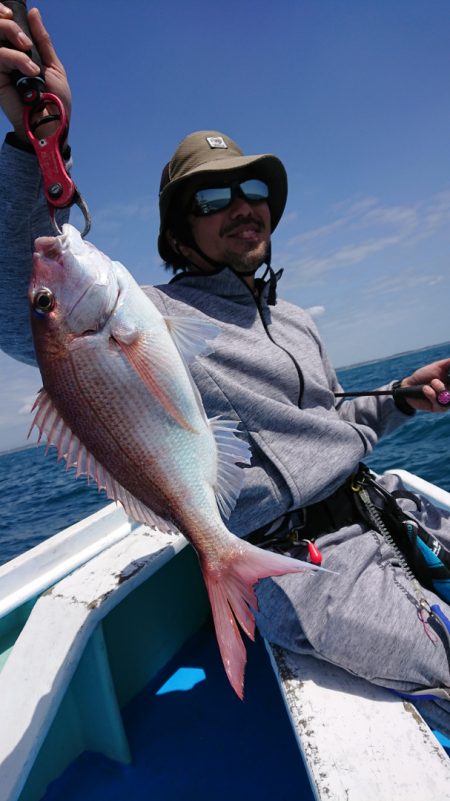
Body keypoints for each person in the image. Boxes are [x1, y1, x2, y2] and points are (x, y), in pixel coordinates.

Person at [1, 6, 450, 736]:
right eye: (213, 198)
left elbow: (331, 426)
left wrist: (402, 399)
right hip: (306, 567)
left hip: (381, 511)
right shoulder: (154, 314)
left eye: (254, 192)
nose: (242, 207)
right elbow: (21, 299)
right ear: (178, 230)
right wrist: (33, 144)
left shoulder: (295, 318)